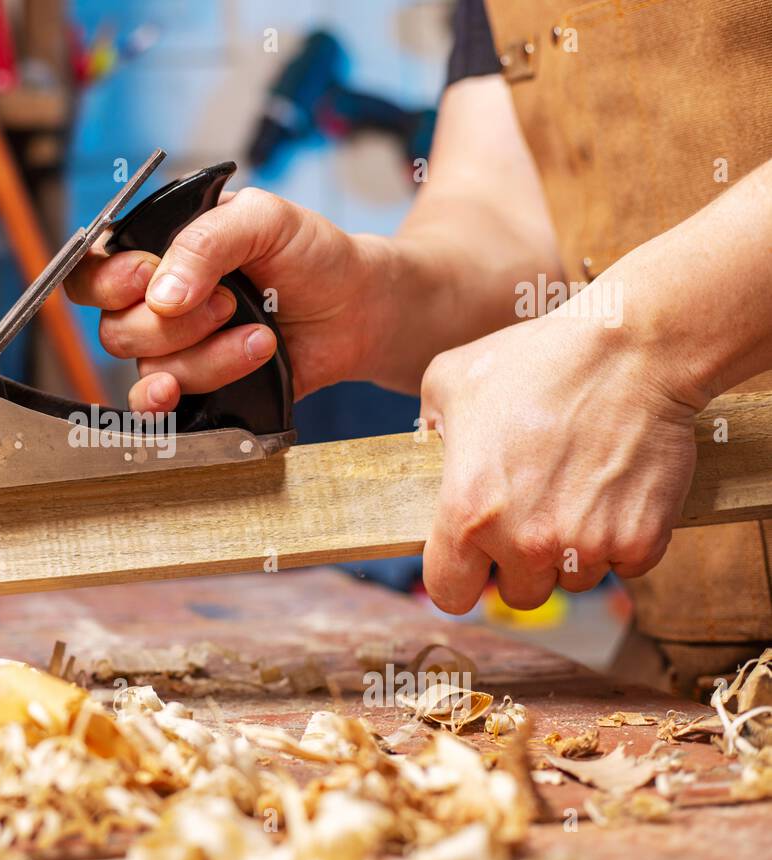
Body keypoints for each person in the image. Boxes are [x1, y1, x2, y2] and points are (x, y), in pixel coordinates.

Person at [64, 0, 772, 693]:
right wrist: (380, 300)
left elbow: (633, 332)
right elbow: (506, 210)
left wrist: (644, 349)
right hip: (693, 664)